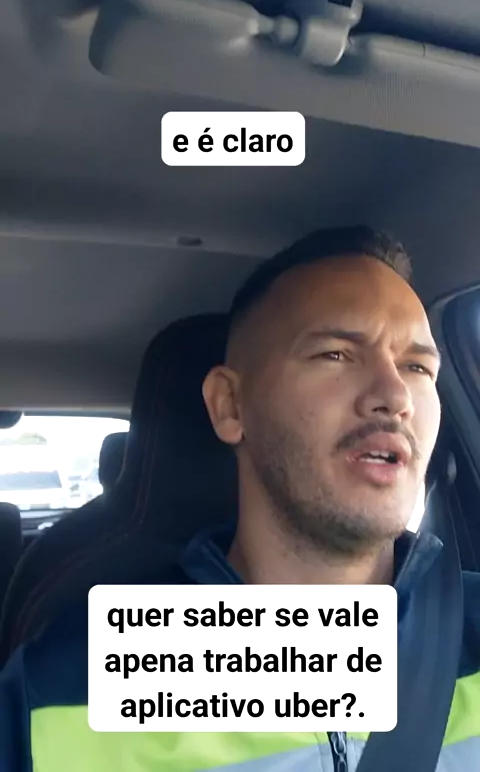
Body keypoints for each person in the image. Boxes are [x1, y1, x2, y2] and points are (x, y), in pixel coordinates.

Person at [0, 225, 479, 771]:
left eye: (417, 367)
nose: (395, 396)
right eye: (336, 354)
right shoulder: (63, 690)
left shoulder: (469, 628)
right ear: (229, 405)